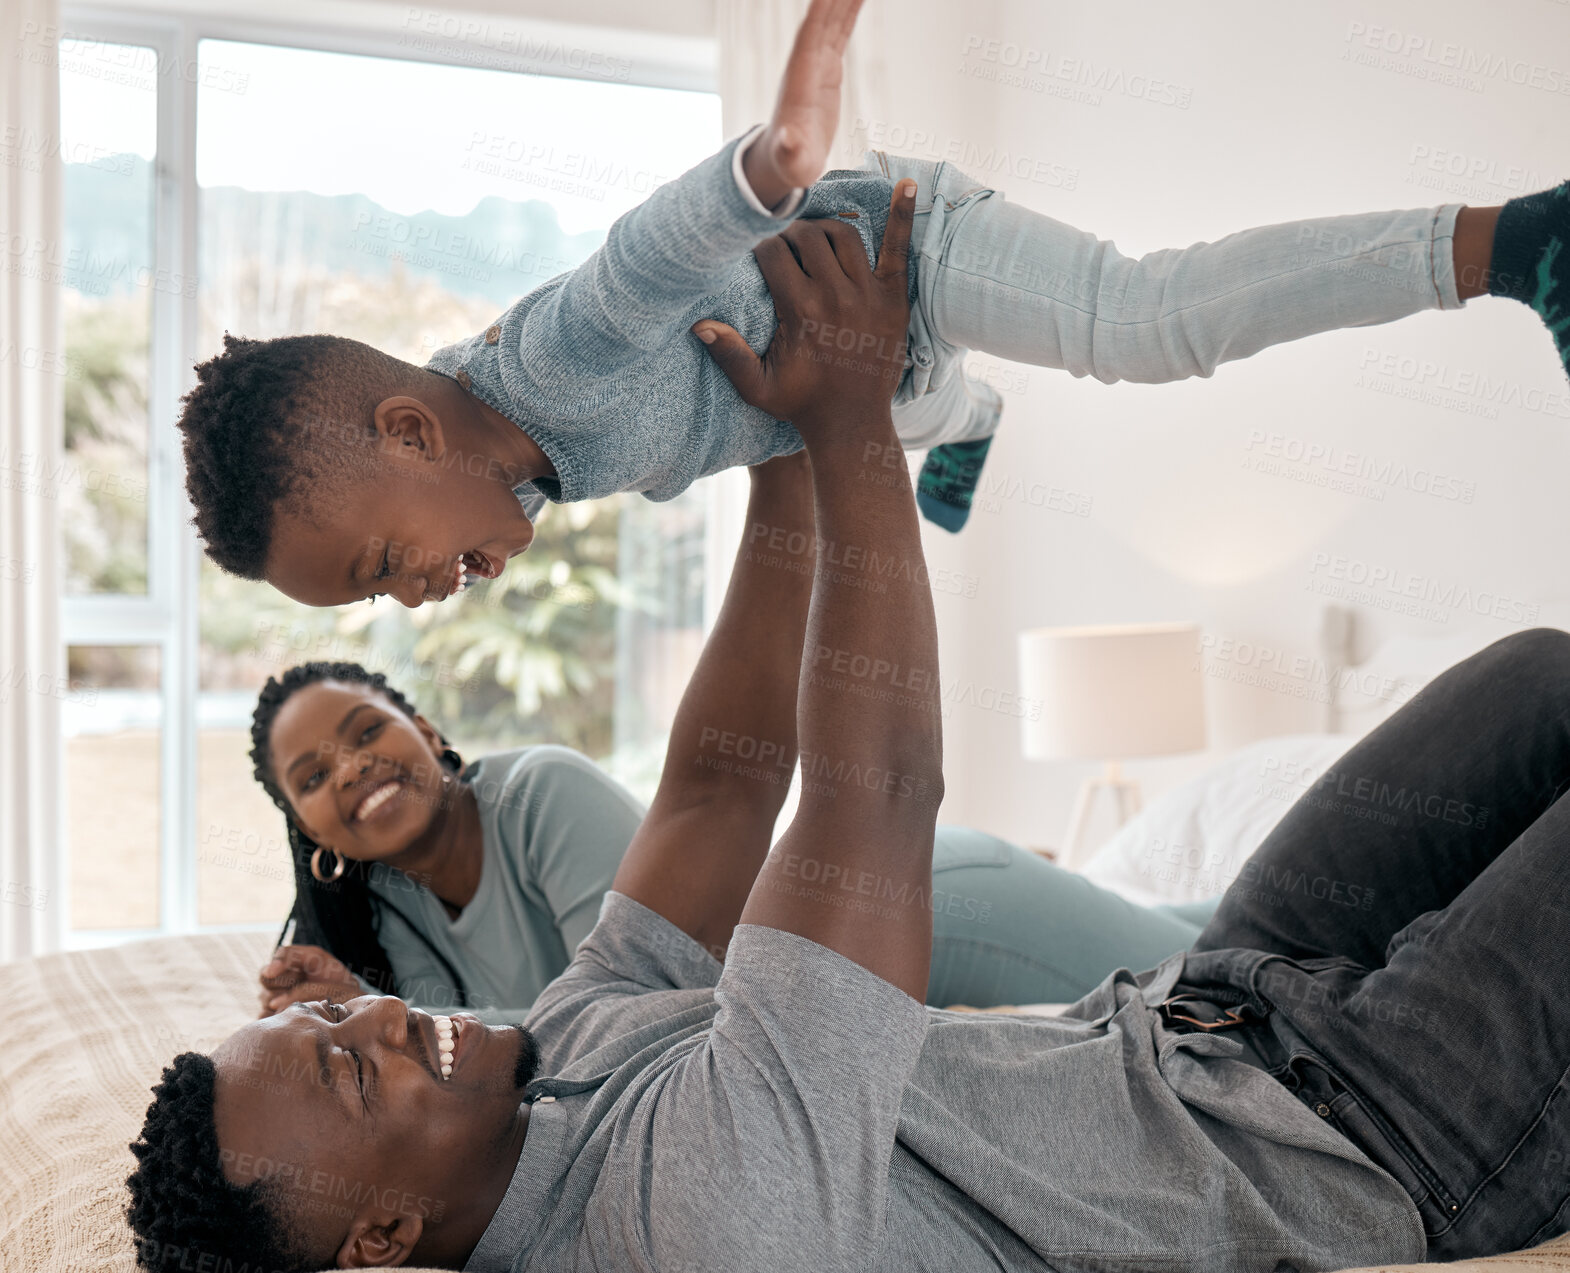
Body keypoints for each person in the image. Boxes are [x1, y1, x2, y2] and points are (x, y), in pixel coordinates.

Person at [128, 183, 1569, 1273]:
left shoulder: (544, 1070)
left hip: (1212, 1012)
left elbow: (715, 788)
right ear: (380, 1236)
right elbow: (875, 793)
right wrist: (854, 423)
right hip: (1366, 1129)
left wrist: (778, 443)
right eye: (345, 1066)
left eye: (330, 1017)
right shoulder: (685, 1220)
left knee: (1535, 678)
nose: (375, 1017)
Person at [173, 0, 1569, 608]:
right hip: (872, 376)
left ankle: (1512, 244)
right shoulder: (520, 476)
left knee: (1149, 328)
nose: (418, 594)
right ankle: (967, 418)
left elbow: (638, 263)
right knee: (912, 411)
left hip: (906, 242)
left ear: (413, 434)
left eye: (381, 566)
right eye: (381, 600)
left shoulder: (543, 366)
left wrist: (769, 161)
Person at [247, 667, 1217, 1021]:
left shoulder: (538, 789)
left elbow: (641, 1010)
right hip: (826, 980)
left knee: (1213, 963)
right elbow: (463, 1065)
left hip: (909, 909)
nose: (353, 769)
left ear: (420, 725)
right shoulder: (381, 912)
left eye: (367, 730)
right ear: (307, 826)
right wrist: (356, 1009)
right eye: (314, 774)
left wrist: (381, 1014)